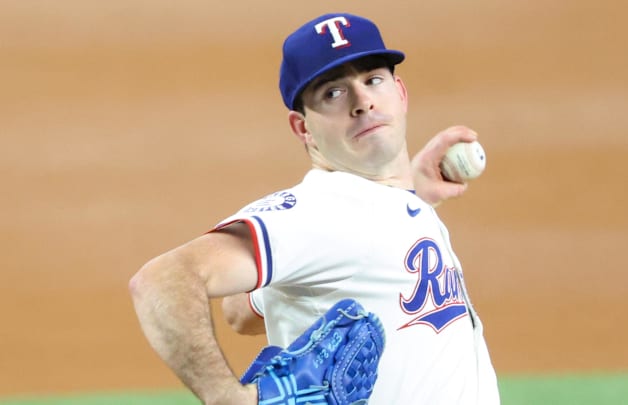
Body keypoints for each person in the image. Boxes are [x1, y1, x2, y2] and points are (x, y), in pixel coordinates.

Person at [129, 12, 500, 405]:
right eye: (333, 93)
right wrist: (227, 398)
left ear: (400, 92)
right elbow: (160, 279)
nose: (363, 102)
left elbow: (241, 311)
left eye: (373, 79)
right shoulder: (326, 210)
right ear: (302, 128)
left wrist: (411, 193)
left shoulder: (379, 208)